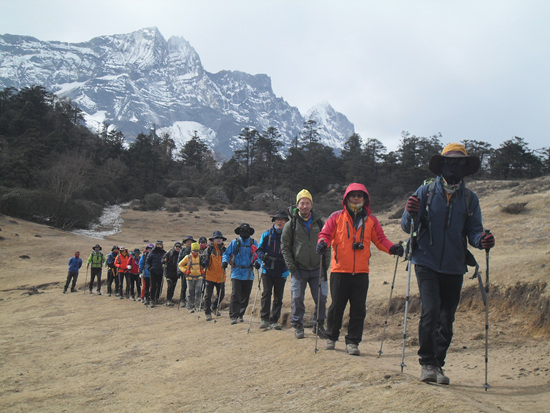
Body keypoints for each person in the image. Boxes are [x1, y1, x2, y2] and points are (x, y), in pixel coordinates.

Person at [401, 143, 495, 385]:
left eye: (459, 163)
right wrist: (410, 213)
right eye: (450, 162)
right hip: (426, 261)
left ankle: (438, 364)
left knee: (447, 318)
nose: (454, 167)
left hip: (454, 266)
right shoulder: (425, 192)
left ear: (465, 168)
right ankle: (427, 363)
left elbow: (473, 232)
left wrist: (482, 240)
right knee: (430, 311)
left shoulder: (470, 200)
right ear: (441, 165)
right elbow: (406, 225)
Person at [317, 183, 404, 356]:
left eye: (360, 195)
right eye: (353, 195)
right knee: (336, 307)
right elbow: (325, 234)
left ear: (365, 199)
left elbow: (380, 239)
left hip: (361, 272)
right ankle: (331, 337)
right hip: (340, 270)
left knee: (358, 309)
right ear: (347, 198)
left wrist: (392, 248)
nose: (356, 198)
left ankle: (353, 342)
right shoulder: (336, 217)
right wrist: (322, 244)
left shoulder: (371, 220)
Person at [281, 189, 329, 339]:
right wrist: (292, 267)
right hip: (298, 270)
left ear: (311, 205)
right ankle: (298, 325)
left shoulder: (320, 223)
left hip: (317, 269)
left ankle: (318, 325)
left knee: (321, 298)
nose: (305, 206)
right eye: (302, 203)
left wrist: (325, 264)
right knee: (297, 298)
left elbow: (327, 243)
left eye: (307, 203)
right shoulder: (291, 225)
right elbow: (285, 247)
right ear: (297, 205)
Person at [256, 210, 290, 330]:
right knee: (266, 294)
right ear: (274, 221)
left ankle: (275, 320)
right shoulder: (266, 235)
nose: (280, 221)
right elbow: (259, 250)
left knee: (278, 297)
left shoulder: (289, 235)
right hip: (267, 269)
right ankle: (264, 319)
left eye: (282, 219)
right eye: (278, 219)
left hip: (282, 270)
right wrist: (262, 257)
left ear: (286, 221)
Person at [222, 223, 260, 325]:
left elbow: (258, 255)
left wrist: (257, 263)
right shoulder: (235, 242)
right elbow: (226, 253)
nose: (244, 232)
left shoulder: (253, 243)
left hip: (248, 273)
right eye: (242, 230)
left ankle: (240, 315)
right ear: (239, 232)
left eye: (246, 231)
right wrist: (224, 261)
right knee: (235, 295)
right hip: (236, 273)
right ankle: (233, 316)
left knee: (245, 296)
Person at [202, 231, 227, 321]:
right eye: (217, 238)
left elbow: (230, 259)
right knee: (208, 295)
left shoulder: (225, 249)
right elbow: (203, 258)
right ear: (213, 240)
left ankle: (214, 306)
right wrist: (204, 262)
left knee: (222, 294)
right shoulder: (209, 249)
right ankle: (207, 312)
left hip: (221, 276)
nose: (219, 239)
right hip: (210, 276)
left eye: (220, 238)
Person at [178, 242, 205, 313]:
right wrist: (185, 271)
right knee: (190, 292)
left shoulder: (201, 257)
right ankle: (190, 307)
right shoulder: (187, 257)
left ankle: (197, 306)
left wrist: (203, 271)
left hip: (199, 277)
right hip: (189, 278)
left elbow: (205, 266)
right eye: (194, 251)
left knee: (198, 292)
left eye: (197, 251)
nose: (196, 252)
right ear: (191, 250)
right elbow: (180, 265)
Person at [146, 240, 166, 308]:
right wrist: (149, 268)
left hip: (160, 271)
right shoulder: (152, 252)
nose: (159, 246)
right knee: (153, 286)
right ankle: (152, 300)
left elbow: (166, 261)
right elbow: (147, 262)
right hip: (153, 272)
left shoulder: (164, 253)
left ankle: (157, 298)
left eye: (160, 245)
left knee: (159, 286)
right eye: (158, 244)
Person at [177, 236, 196, 307]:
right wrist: (179, 271)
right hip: (185, 271)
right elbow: (179, 261)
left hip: (194, 271)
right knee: (184, 286)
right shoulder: (183, 250)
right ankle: (182, 300)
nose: (189, 243)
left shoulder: (195, 251)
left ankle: (191, 301)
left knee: (192, 287)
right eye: (187, 241)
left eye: (190, 241)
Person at [163, 242, 182, 306]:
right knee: (170, 286)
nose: (178, 248)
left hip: (176, 273)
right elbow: (162, 260)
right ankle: (168, 300)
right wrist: (165, 261)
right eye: (176, 246)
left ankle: (170, 298)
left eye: (179, 247)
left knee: (173, 286)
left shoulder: (181, 254)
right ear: (174, 246)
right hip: (169, 272)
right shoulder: (169, 253)